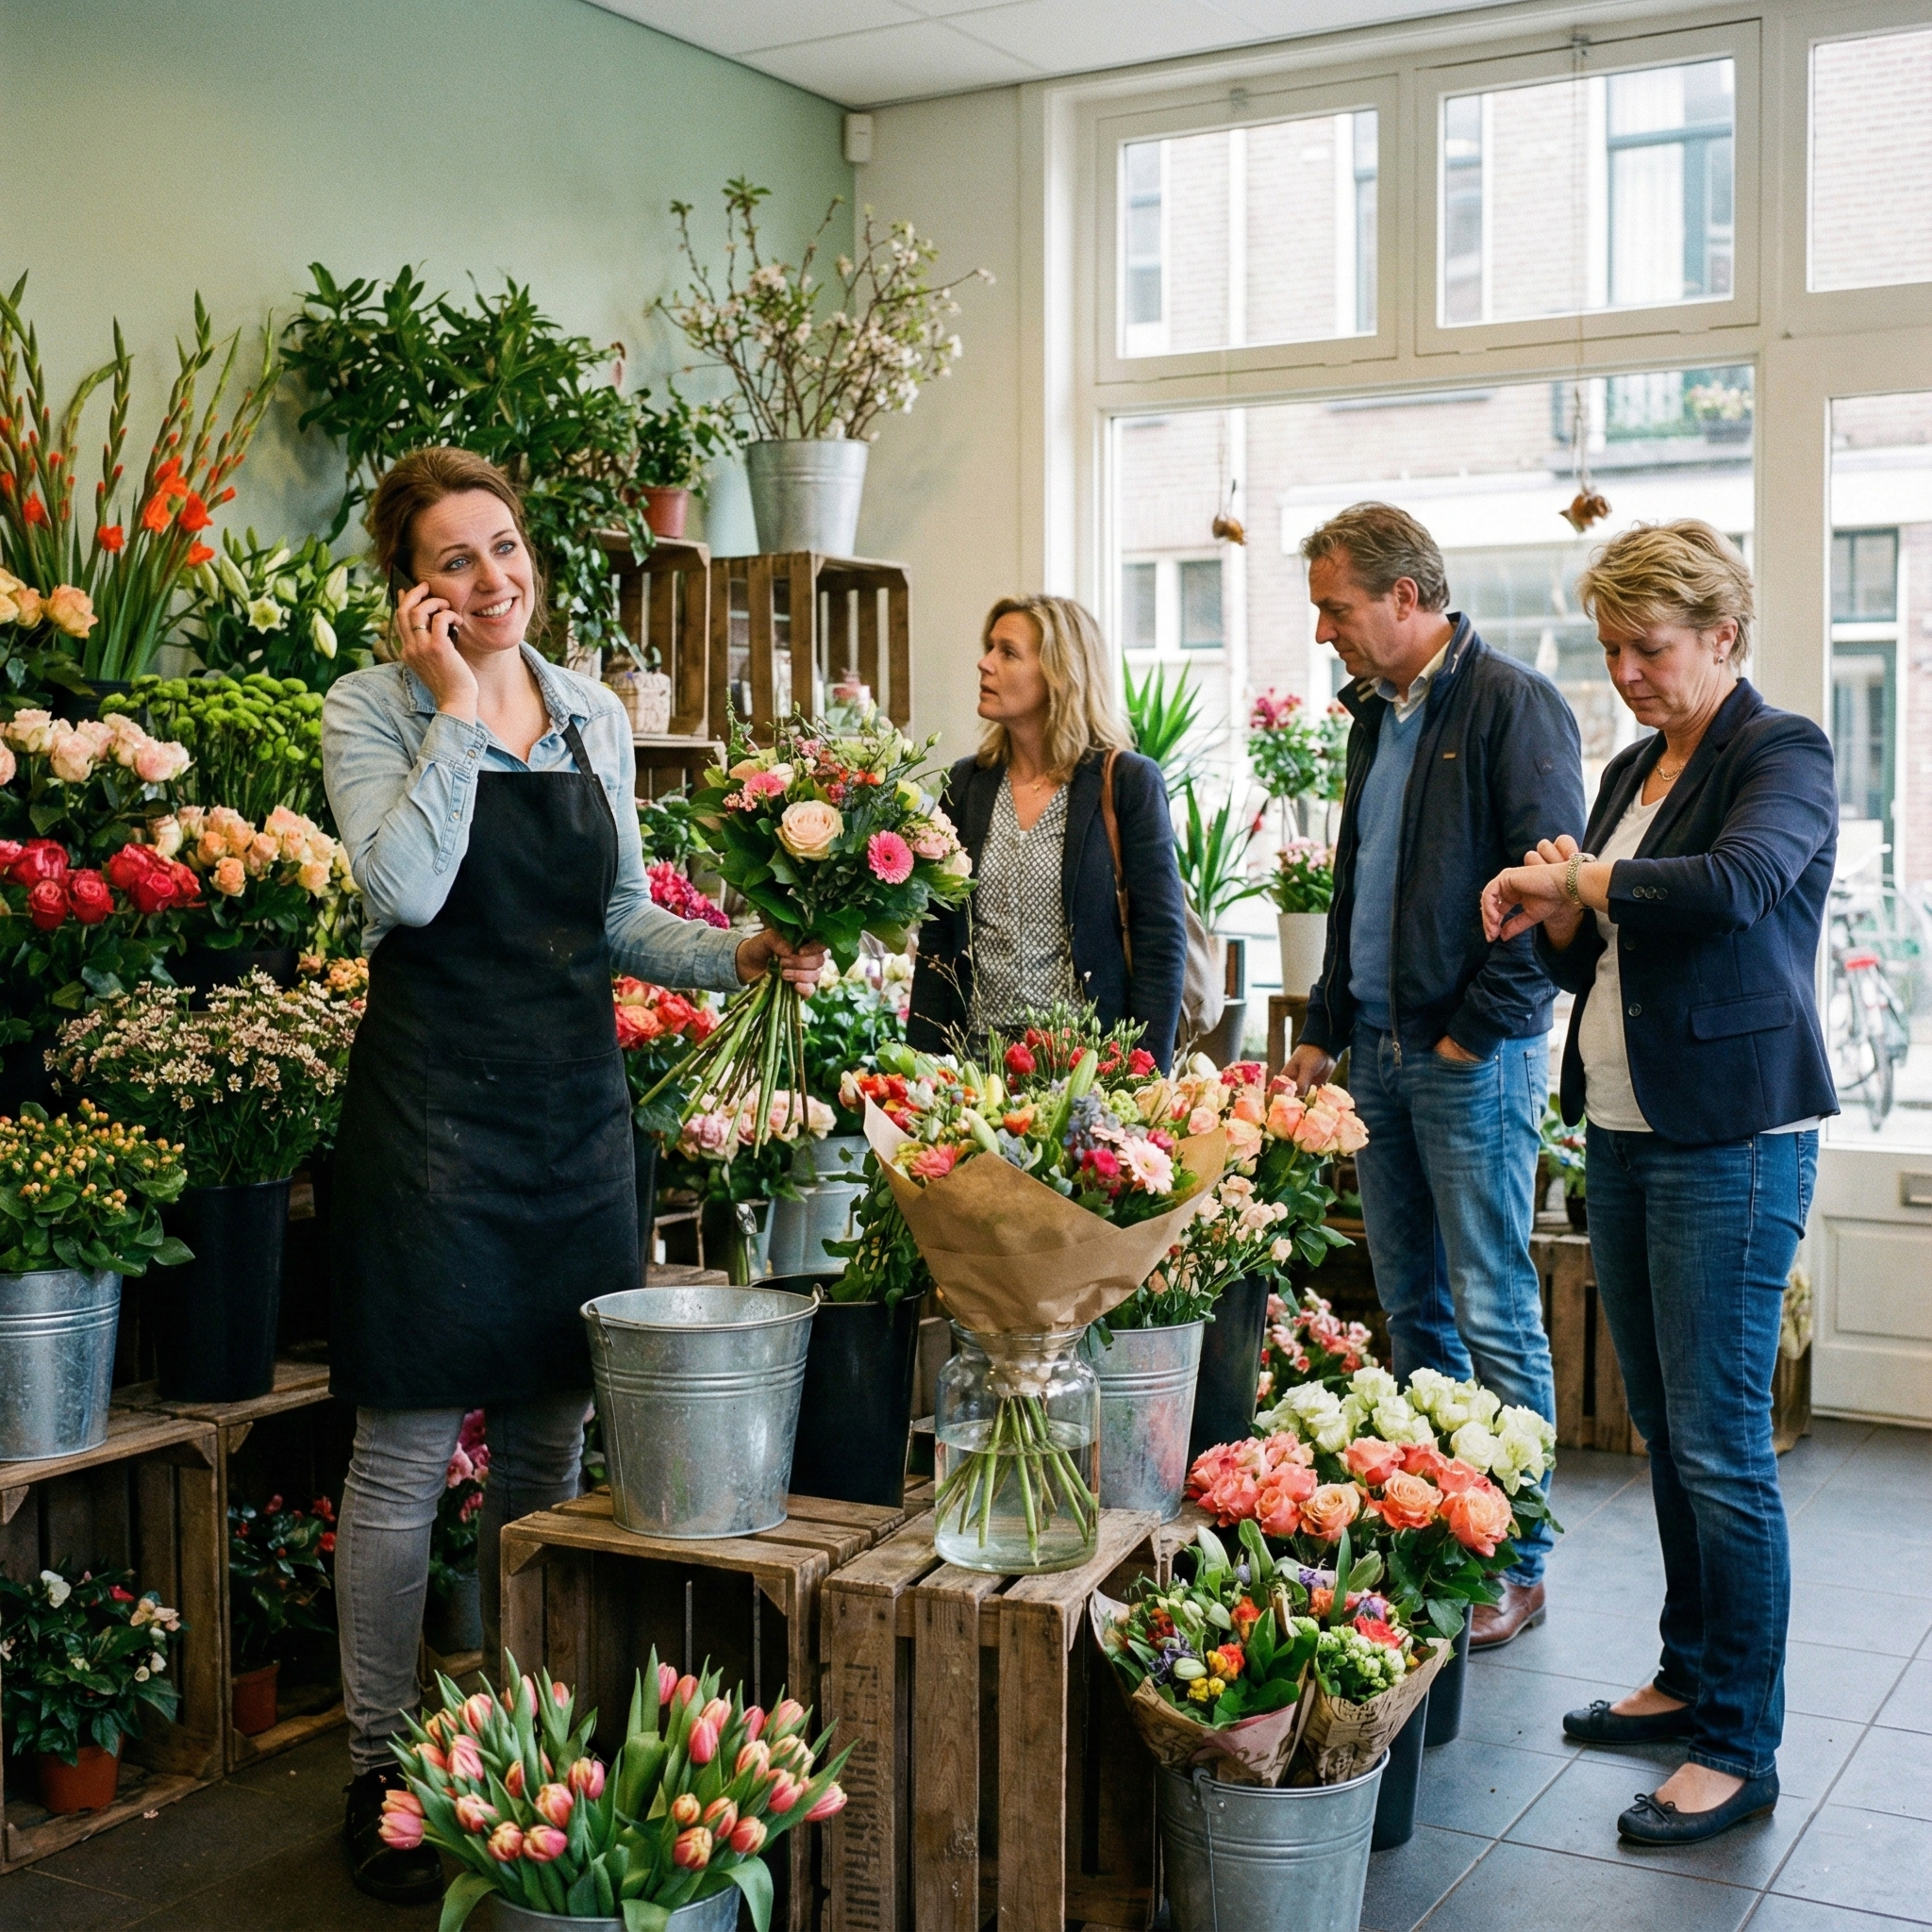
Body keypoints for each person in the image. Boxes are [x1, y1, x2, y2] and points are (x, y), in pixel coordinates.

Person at [321, 447, 824, 1905]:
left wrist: (737, 952)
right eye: (456, 560)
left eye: (505, 546)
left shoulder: (596, 711)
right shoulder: (371, 708)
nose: (494, 577)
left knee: (546, 1455)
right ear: (412, 590)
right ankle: (378, 1769)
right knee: (404, 1458)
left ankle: (513, 1748)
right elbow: (404, 891)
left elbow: (616, 920)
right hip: (429, 1121)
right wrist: (459, 708)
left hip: (570, 1119)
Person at [1481, 520, 1835, 1846]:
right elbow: (1600, 960)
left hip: (1733, 1139)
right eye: (1610, 649)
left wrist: (1579, 874)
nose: (1624, 673)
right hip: (1624, 1128)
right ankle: (1688, 1676)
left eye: (1648, 647)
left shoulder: (1780, 751)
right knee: (1668, 1434)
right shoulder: (1633, 766)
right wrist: (1563, 915)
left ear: (1722, 635)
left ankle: (1737, 1744)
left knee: (1723, 1446)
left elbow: (1734, 889)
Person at [1281, 503, 1583, 1649]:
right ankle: (1439, 1546)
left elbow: (1550, 894)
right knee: (1411, 1307)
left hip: (1466, 1058)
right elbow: (1355, 880)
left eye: (1335, 608)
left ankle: (1518, 1561)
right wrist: (1324, 1025)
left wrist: (1469, 1033)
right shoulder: (1373, 714)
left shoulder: (1512, 703)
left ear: (1404, 597)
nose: (1323, 631)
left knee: (1493, 1309)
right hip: (1374, 1052)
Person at [907, 594, 1188, 1067]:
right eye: (989, 647)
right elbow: (938, 940)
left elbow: (1160, 943)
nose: (984, 663)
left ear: (1060, 673)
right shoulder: (967, 783)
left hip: (1088, 1071)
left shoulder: (1127, 782)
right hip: (975, 1067)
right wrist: (920, 1068)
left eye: (1008, 652)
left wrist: (1145, 1077)